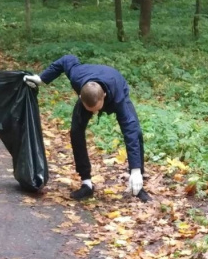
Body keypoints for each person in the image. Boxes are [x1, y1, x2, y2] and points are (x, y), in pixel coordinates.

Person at [24, 55, 151, 202]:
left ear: (103, 96)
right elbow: (67, 59)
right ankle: (86, 184)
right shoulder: (77, 76)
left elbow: (130, 131)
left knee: (135, 131)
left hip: (115, 85)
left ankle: (138, 183)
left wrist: (135, 170)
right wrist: (42, 79)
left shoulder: (118, 98)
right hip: (88, 90)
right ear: (79, 96)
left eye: (97, 109)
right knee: (76, 131)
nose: (95, 113)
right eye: (91, 110)